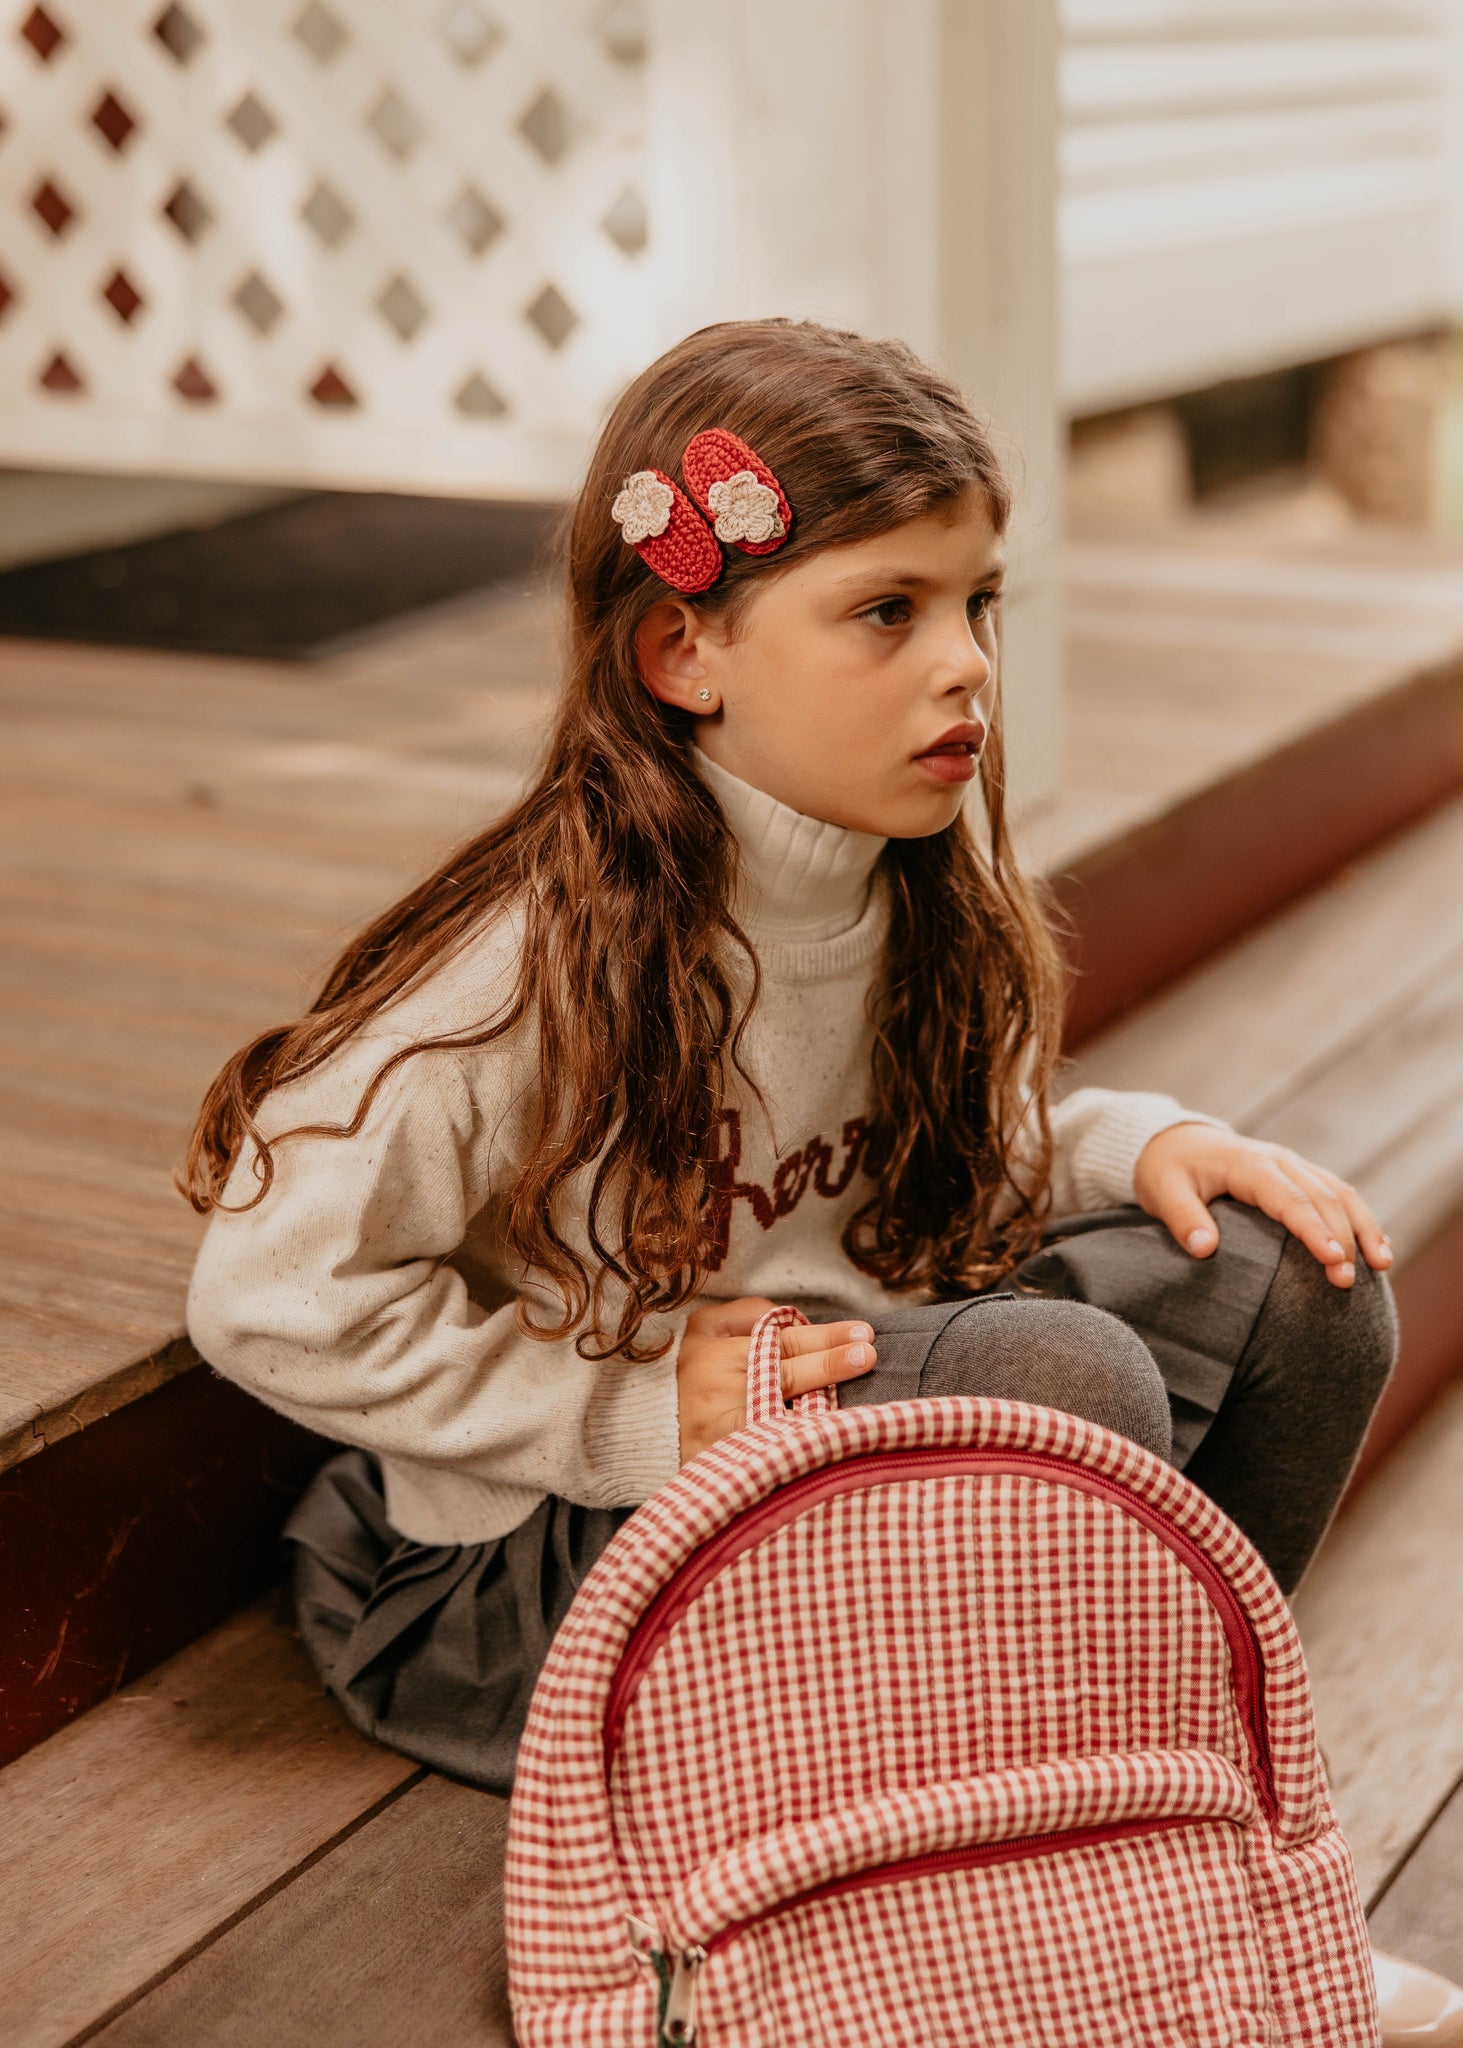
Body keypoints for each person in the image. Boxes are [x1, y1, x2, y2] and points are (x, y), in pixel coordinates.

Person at [185, 317, 1394, 1792]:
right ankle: (1063, 1853)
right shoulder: (520, 977)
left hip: (830, 1438)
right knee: (1049, 1384)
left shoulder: (898, 888)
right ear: (684, 649)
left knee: (1302, 1284)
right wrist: (625, 1414)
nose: (966, 666)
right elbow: (261, 1297)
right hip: (552, 1577)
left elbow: (926, 1151)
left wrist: (1124, 1147)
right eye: (889, 611)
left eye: (979, 605)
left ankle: (1191, 1803)